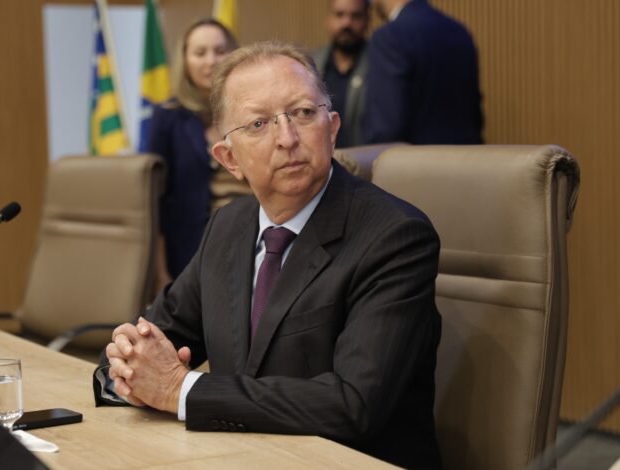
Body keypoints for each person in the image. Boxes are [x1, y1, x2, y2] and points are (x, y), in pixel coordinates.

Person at [95, 41, 442, 469]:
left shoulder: (395, 236)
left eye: (303, 113)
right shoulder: (228, 227)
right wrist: (127, 364)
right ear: (229, 159)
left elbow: (353, 404)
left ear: (332, 128)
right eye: (259, 123)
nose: (287, 138)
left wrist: (179, 390)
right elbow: (153, 340)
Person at [142, 18, 244, 289]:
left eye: (220, 50)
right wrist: (160, 273)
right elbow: (155, 202)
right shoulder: (167, 117)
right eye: (200, 52)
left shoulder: (251, 113)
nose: (211, 61)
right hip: (187, 257)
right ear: (185, 60)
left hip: (248, 248)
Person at [364, 0, 483, 145]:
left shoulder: (389, 37)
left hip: (415, 156)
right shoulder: (460, 32)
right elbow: (474, 117)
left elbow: (386, 130)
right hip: (466, 155)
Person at [311, 0, 370, 148]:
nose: (346, 23)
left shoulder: (379, 64)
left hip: (365, 159)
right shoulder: (312, 64)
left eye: (355, 16)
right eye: (339, 14)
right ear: (328, 20)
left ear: (367, 20)